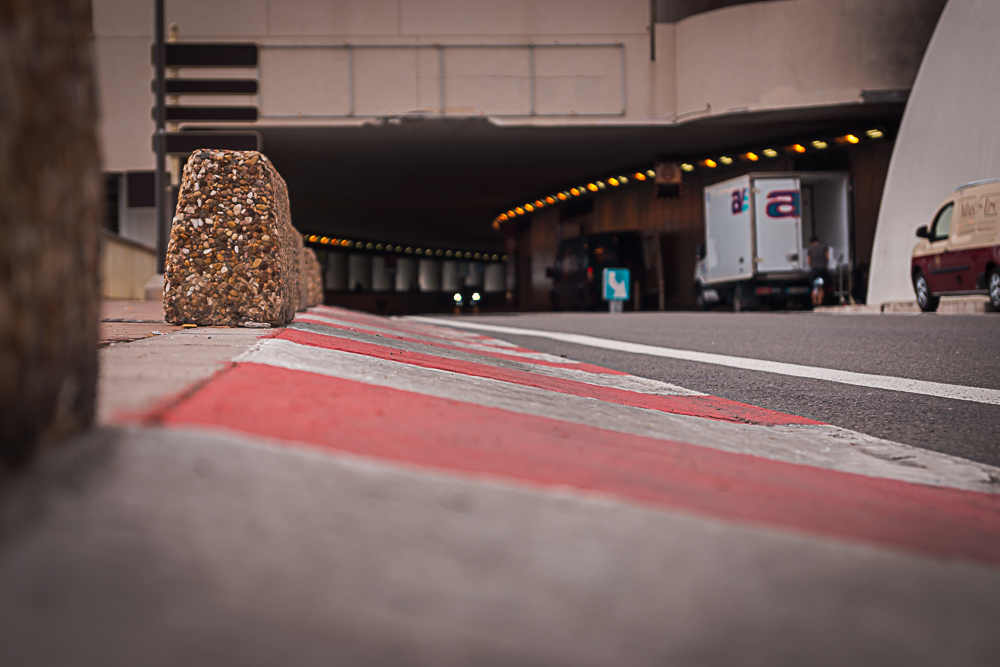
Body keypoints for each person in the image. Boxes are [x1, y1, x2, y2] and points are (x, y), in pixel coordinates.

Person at [807, 235, 830, 306]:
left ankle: (814, 302)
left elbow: (809, 261)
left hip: (814, 270)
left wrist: (812, 266)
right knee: (820, 287)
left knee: (815, 287)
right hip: (822, 269)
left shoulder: (810, 249)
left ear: (811, 242)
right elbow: (827, 257)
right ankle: (820, 302)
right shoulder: (824, 247)